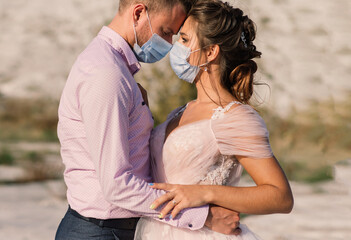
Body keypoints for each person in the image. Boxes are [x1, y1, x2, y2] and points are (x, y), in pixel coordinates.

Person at [55, 1, 242, 239]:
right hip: (101, 231)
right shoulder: (107, 74)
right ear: (139, 12)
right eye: (165, 32)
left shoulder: (114, 68)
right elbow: (117, 185)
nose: (167, 44)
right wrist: (203, 217)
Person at [133, 0, 294, 239]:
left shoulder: (234, 117)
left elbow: (280, 197)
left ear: (210, 52)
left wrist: (205, 193)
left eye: (185, 40)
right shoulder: (180, 111)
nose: (176, 48)